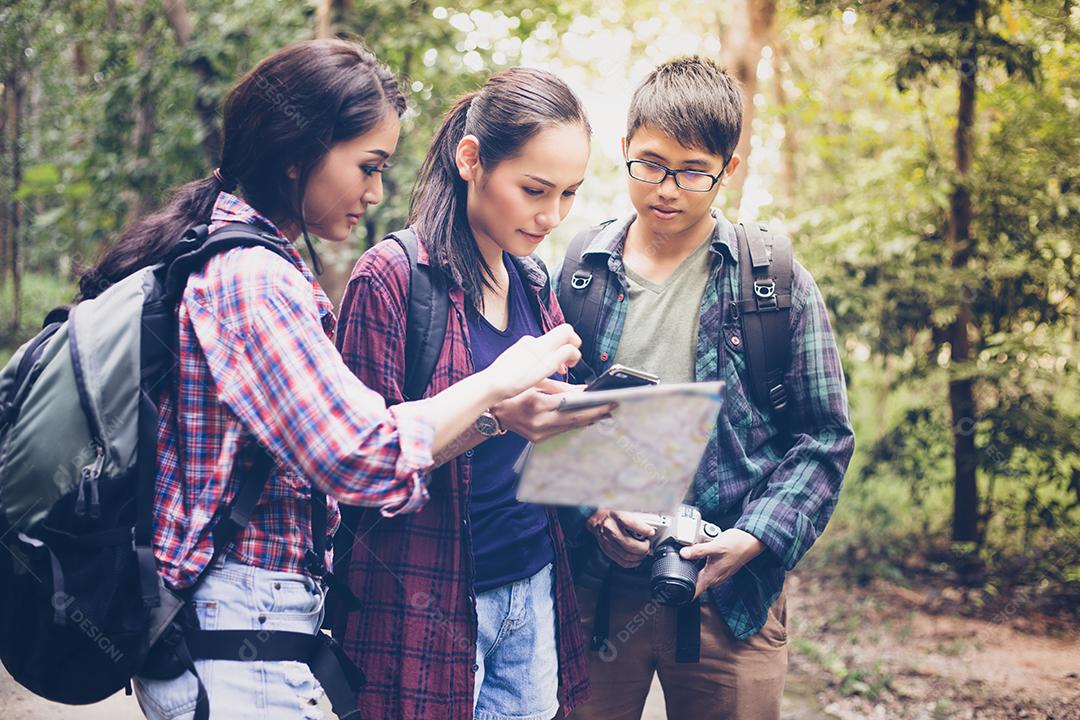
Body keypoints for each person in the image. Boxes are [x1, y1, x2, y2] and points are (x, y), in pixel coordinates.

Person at [79, 39, 584, 720]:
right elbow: (362, 457)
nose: (376, 192)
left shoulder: (246, 259)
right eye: (367, 166)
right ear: (298, 152)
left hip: (253, 622)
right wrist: (493, 387)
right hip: (234, 624)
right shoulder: (253, 280)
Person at [556, 56, 855, 720]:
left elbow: (824, 437)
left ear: (729, 169)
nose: (667, 188)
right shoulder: (581, 274)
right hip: (598, 593)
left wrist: (753, 538)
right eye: (651, 164)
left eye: (694, 171)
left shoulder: (774, 283)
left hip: (733, 600)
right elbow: (556, 421)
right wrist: (597, 509)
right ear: (625, 148)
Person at [334, 67, 609, 720]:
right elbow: (358, 471)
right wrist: (494, 417)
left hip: (533, 586)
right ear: (471, 160)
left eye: (570, 193)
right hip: (426, 600)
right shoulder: (392, 280)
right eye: (534, 189)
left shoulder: (533, 282)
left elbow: (533, 439)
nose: (552, 215)